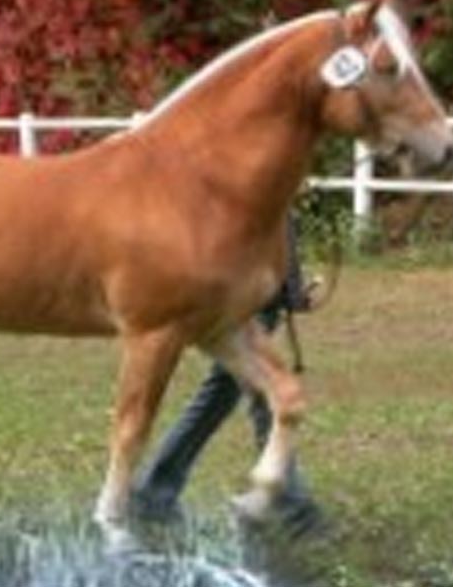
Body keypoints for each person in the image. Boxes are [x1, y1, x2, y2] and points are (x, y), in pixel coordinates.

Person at [132, 212, 326, 536]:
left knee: (226, 393)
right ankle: (290, 503)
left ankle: (155, 488)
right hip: (244, 289)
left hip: (255, 286)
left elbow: (277, 222)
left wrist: (289, 287)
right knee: (260, 392)